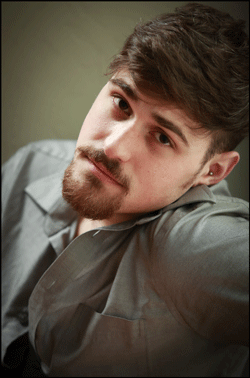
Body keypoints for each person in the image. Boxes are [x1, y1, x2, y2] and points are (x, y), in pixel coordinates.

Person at [2, 2, 249, 377]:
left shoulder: (196, 247)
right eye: (121, 103)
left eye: (162, 137)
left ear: (212, 171)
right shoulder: (30, 165)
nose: (113, 147)